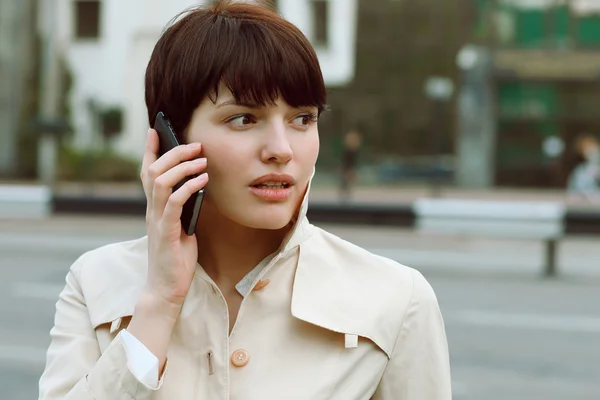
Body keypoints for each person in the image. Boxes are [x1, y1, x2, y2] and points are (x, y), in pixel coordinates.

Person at [38, 1, 451, 399]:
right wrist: (160, 304)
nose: (281, 149)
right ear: (171, 138)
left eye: (302, 119)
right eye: (243, 119)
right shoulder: (96, 283)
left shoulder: (396, 298)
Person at [567, 133, 600, 201]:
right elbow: (572, 193)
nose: (591, 150)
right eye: (586, 147)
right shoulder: (579, 171)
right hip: (585, 209)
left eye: (592, 145)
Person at [339, 127, 363, 200]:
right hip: (348, 167)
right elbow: (346, 161)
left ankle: (346, 191)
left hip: (350, 167)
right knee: (346, 181)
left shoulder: (353, 152)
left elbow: (353, 162)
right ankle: (344, 191)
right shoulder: (348, 152)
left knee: (347, 181)